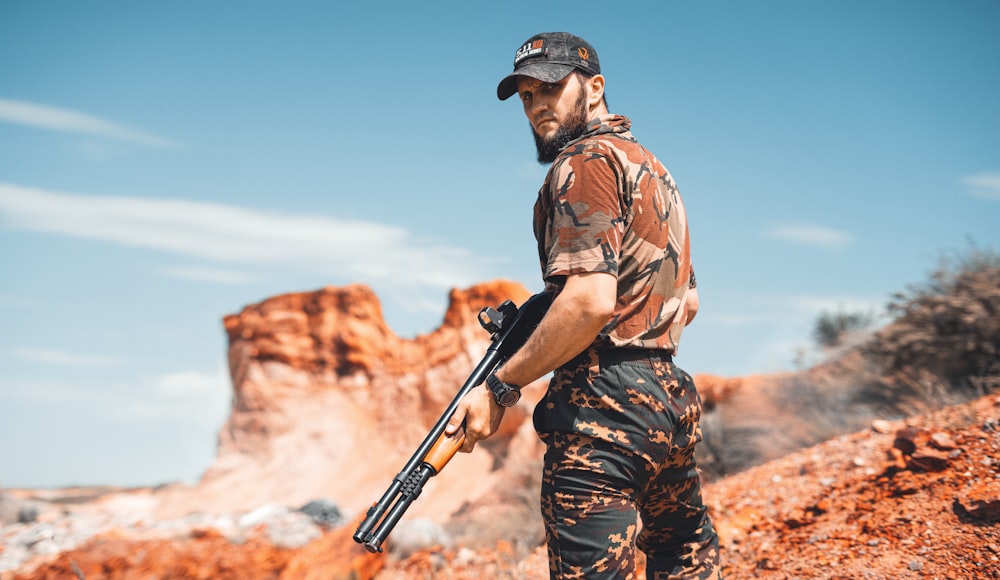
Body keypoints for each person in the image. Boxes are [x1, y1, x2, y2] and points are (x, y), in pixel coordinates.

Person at [445, 31, 720, 578]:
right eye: (526, 96)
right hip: (668, 400)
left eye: (549, 87)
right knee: (684, 558)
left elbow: (589, 301)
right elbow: (687, 300)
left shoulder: (584, 163)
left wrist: (501, 387)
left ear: (594, 87)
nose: (537, 105)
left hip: (600, 408)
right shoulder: (655, 171)